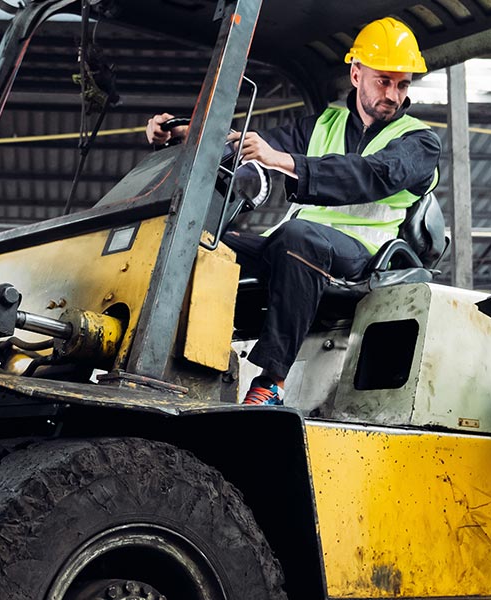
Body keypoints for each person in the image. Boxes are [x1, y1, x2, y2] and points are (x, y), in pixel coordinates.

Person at [146, 16, 441, 406]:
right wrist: (186, 134)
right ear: (356, 75)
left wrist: (287, 162)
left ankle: (271, 383)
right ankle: (182, 365)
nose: (393, 93)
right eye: (383, 80)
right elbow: (252, 143)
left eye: (402, 84)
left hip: (365, 256)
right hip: (296, 249)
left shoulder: (420, 141)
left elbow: (371, 175)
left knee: (298, 237)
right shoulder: (324, 123)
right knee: (206, 244)